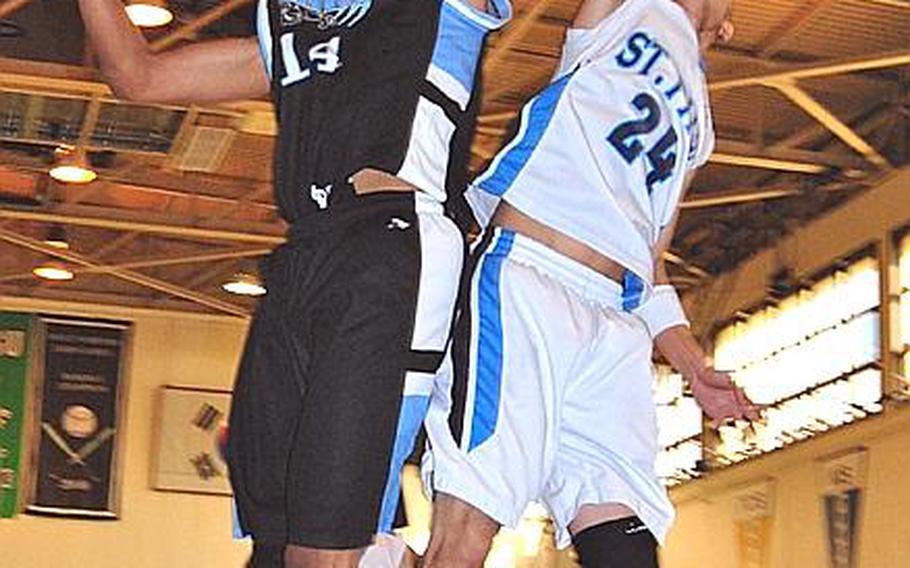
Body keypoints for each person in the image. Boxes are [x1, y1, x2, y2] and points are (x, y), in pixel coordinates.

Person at [76, 0, 512, 566]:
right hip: (304, 257)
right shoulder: (294, 29)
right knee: (275, 545)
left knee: (321, 550)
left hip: (391, 251)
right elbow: (138, 76)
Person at [421, 0, 760, 566]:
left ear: (725, 27)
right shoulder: (626, 12)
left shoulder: (699, 125)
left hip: (615, 322)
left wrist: (695, 367)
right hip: (531, 278)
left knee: (626, 542)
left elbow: (652, 265)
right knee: (465, 536)